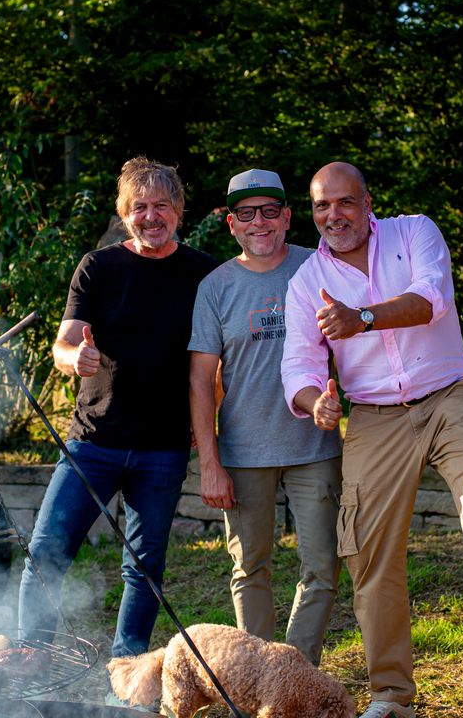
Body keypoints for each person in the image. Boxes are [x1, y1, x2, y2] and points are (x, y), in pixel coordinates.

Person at [280, 161, 463, 718]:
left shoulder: (414, 233)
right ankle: (392, 697)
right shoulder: (306, 282)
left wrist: (362, 318)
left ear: (368, 203)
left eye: (345, 202)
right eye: (321, 206)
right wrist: (317, 403)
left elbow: (430, 298)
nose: (334, 215)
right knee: (368, 554)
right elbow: (298, 364)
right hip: (373, 417)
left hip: (447, 392)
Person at [18, 157, 217, 673]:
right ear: (124, 213)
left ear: (178, 211)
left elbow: (217, 359)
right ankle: (30, 663)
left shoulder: (204, 273)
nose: (151, 216)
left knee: (144, 568)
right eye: (139, 207)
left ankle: (125, 676)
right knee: (46, 553)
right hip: (92, 442)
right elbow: (63, 344)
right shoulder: (98, 267)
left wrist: (208, 423)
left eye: (161, 206)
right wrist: (74, 358)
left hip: (164, 448)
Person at [187, 169, 343, 666]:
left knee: (323, 568)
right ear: (231, 223)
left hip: (314, 446)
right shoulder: (215, 287)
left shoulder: (318, 266)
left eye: (270, 211)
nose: (259, 222)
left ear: (288, 216)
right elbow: (200, 380)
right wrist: (210, 463)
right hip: (244, 451)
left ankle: (294, 671)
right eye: (247, 213)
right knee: (250, 568)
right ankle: (258, 675)